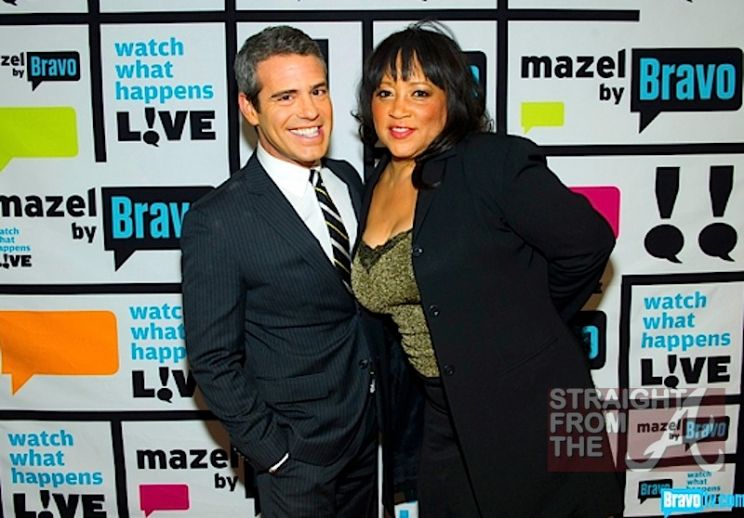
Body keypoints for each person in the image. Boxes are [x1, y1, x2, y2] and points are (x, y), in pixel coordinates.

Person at [351, 22, 624, 517]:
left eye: (419, 92)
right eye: (385, 92)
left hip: (531, 405)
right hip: (441, 411)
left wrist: (525, 323)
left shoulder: (492, 162)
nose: (397, 108)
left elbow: (588, 243)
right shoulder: (375, 183)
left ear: (451, 99)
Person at [181, 25, 380, 518]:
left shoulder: (347, 180)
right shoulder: (218, 219)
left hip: (366, 438)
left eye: (318, 90)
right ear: (249, 109)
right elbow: (212, 359)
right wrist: (276, 455)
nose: (310, 111)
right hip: (298, 459)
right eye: (285, 96)